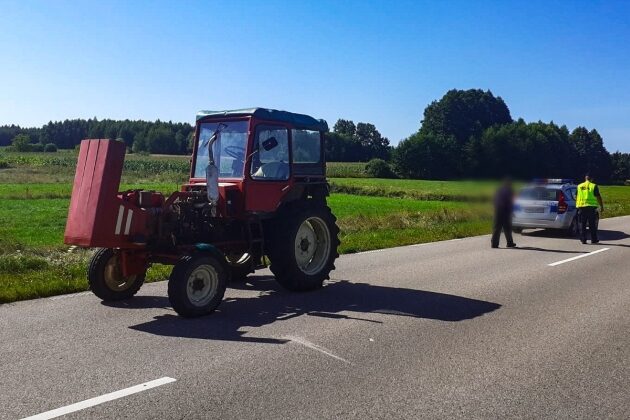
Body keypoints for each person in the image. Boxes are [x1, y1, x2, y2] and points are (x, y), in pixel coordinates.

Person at [576, 173, 604, 244]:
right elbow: (598, 196)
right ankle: (593, 239)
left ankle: (583, 239)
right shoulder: (593, 186)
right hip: (591, 208)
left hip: (582, 207)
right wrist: (601, 206)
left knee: (582, 224)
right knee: (592, 224)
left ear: (585, 178)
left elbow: (576, 196)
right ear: (592, 179)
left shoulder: (579, 186)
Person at [491, 177, 516, 248]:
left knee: (497, 227)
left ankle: (494, 244)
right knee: (507, 228)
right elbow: (511, 202)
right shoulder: (510, 190)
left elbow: (494, 199)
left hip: (497, 210)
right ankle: (510, 243)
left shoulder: (498, 190)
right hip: (505, 211)